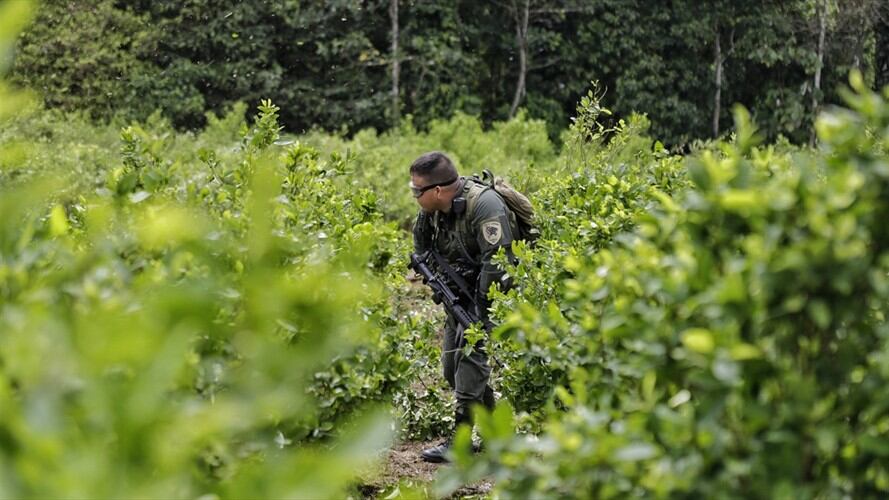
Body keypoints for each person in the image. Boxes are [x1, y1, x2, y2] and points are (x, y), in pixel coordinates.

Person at [409, 151, 519, 463]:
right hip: (459, 296)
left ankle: (460, 440)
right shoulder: (433, 211)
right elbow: (422, 247)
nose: (414, 195)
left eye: (417, 191)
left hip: (492, 296)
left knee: (471, 364)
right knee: (451, 369)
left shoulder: (484, 206)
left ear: (438, 190)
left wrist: (480, 316)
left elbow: (498, 264)